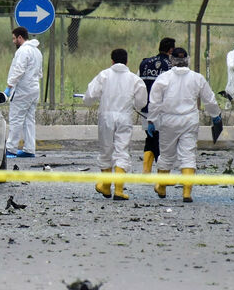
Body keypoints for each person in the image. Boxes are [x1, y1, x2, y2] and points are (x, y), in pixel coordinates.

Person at [147, 48, 221, 203]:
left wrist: (151, 120)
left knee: (166, 154)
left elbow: (154, 102)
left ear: (171, 60)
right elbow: (210, 99)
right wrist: (215, 115)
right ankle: (186, 193)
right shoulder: (197, 78)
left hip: (168, 120)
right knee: (188, 155)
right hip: (189, 120)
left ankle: (161, 186)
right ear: (187, 60)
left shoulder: (164, 78)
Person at [84, 49, 147, 201]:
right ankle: (119, 190)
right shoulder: (134, 79)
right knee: (122, 150)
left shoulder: (104, 75)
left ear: (112, 61)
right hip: (124, 117)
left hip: (106, 117)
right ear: (127, 61)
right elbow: (141, 102)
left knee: (106, 150)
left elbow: (89, 97)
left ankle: (105, 186)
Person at [4, 26, 43, 158]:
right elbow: (39, 73)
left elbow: (18, 70)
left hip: (22, 90)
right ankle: (29, 149)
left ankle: (11, 149)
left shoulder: (23, 51)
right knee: (29, 120)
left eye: (14, 38)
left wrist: (9, 86)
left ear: (20, 37)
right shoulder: (37, 51)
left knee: (16, 119)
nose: (13, 41)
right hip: (34, 89)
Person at [138, 37, 175, 174]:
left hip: (146, 108)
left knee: (150, 138)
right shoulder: (172, 66)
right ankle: (162, 173)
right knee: (163, 141)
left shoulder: (145, 63)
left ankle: (146, 171)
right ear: (171, 50)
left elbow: (139, 84)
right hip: (164, 110)